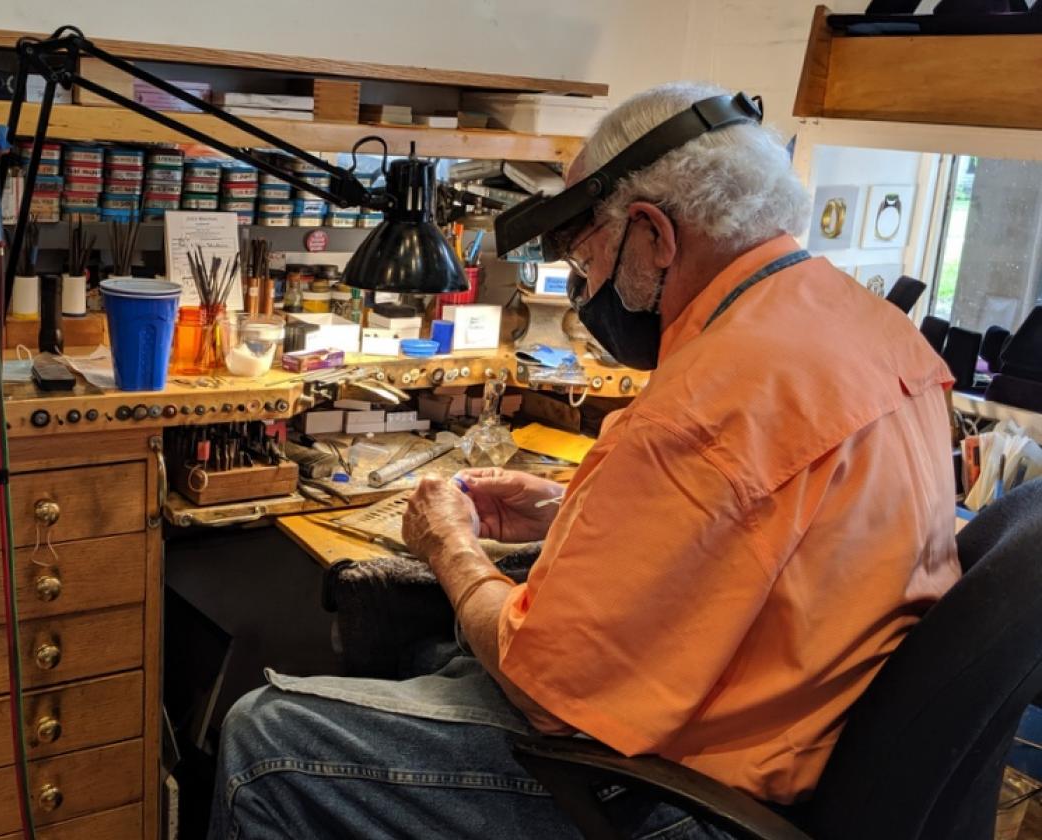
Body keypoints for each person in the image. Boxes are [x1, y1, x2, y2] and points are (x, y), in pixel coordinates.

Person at [208, 81, 960, 839]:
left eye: (585, 257)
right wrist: (576, 512)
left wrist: (451, 548)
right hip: (807, 751)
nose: (584, 288)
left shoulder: (706, 403)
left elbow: (545, 688)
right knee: (437, 660)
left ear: (654, 235)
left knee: (265, 737)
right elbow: (774, 541)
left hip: (685, 798)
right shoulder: (873, 331)